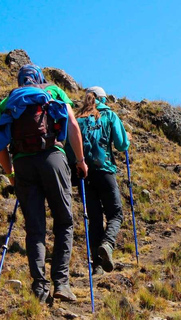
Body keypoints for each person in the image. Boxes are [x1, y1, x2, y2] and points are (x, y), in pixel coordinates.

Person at [0, 64, 88, 302]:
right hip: (53, 157)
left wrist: (11, 174)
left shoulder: (9, 101)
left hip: (23, 164)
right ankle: (61, 283)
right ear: (39, 77)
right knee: (64, 221)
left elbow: (0, 144)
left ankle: (39, 289)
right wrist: (80, 161)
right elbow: (73, 125)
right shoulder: (53, 91)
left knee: (35, 228)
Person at [73, 86, 130, 276]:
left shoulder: (78, 119)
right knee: (115, 214)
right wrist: (127, 139)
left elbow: (69, 147)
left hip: (85, 175)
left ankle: (97, 266)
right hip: (105, 171)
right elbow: (122, 145)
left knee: (94, 220)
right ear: (102, 99)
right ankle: (107, 244)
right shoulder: (109, 115)